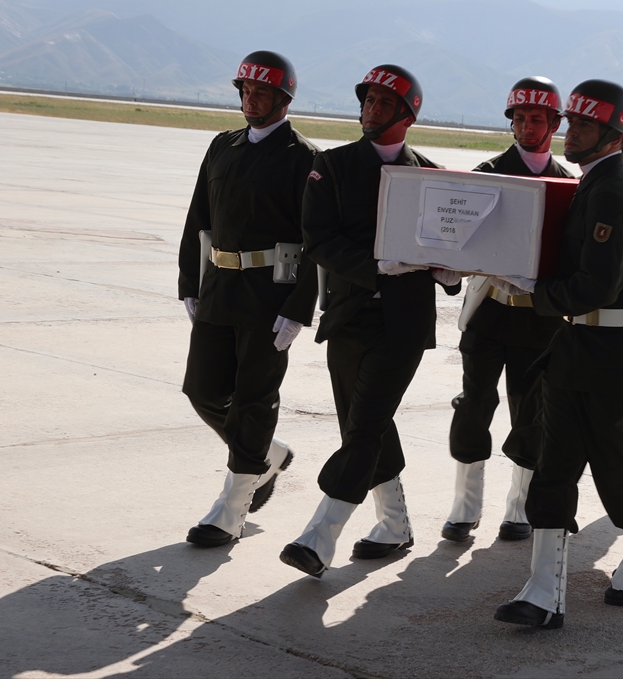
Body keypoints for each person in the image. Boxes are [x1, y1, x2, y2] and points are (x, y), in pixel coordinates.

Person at [492, 79, 623, 629]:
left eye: (586, 125)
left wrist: (531, 291)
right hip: (577, 348)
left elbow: (595, 286)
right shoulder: (593, 185)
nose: (570, 132)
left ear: (616, 137)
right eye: (572, 122)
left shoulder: (612, 192)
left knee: (619, 470)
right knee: (554, 466)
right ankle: (543, 592)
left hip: (618, 357)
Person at [278, 64, 461, 577]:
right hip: (348, 315)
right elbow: (318, 240)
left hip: (403, 324)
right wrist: (377, 268)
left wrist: (449, 271)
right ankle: (395, 524)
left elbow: (450, 245)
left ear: (407, 116)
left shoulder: (433, 177)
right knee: (363, 424)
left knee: (364, 428)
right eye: (367, 100)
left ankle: (320, 536)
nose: (370, 110)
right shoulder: (332, 166)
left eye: (383, 103)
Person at [178, 51, 319, 548]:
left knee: (254, 399)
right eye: (246, 90)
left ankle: (230, 512)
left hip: (269, 295)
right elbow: (198, 218)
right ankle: (266, 455)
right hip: (219, 285)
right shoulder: (223, 146)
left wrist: (299, 308)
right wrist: (189, 283)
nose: (250, 99)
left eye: (261, 92)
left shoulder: (305, 158)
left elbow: (315, 241)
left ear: (284, 99)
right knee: (201, 390)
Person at [442, 77, 574, 543]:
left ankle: (519, 506)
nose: (526, 126)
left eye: (536, 119)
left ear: (555, 124)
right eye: (519, 118)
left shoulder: (569, 184)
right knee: (473, 405)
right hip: (490, 312)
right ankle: (465, 506)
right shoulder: (488, 172)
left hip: (540, 319)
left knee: (532, 412)